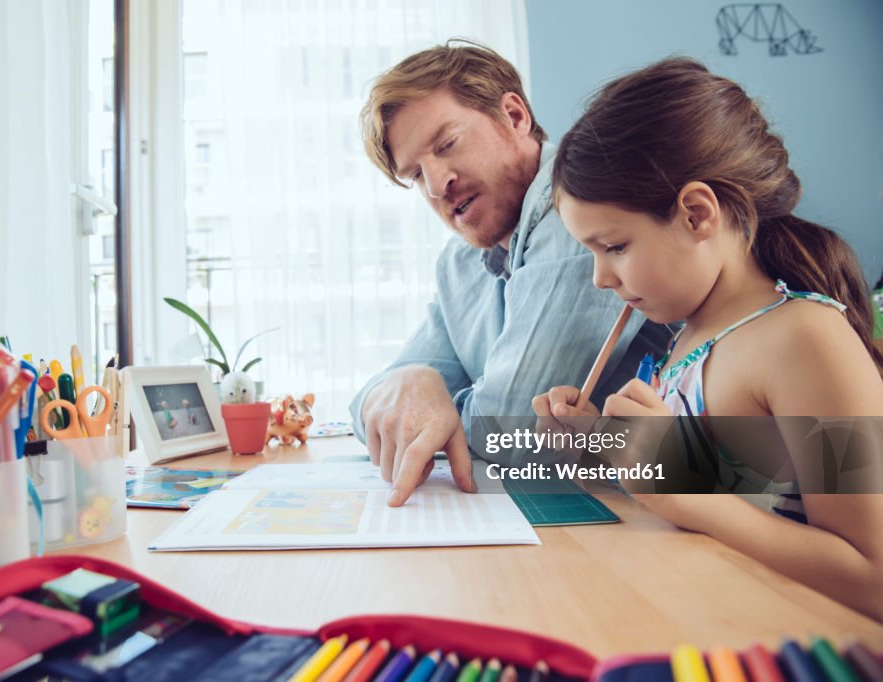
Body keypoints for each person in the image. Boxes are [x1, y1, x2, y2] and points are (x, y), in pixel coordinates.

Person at [533, 57, 883, 619]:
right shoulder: (687, 340)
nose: (601, 278)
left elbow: (873, 578)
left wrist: (685, 490)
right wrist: (595, 448)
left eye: (615, 247)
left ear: (697, 214)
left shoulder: (809, 341)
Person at [350, 40, 671, 506]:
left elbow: (516, 429)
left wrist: (430, 411)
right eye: (416, 176)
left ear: (515, 117)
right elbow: (373, 412)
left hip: (662, 519)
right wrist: (409, 381)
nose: (438, 185)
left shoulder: (583, 213)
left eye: (447, 144)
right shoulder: (460, 262)